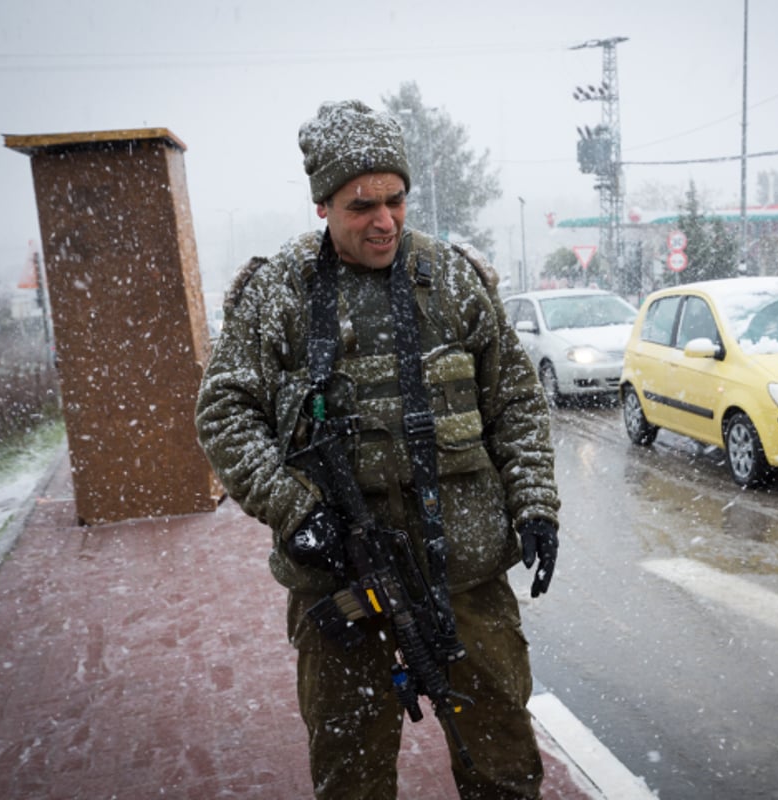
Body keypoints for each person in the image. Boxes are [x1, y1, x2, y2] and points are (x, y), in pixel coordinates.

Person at [194, 99, 560, 799]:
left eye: (396, 200)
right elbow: (224, 413)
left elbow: (514, 400)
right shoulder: (281, 294)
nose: (385, 220)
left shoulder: (450, 280)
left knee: (504, 769)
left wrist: (535, 503)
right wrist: (296, 511)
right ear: (323, 205)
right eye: (362, 205)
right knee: (351, 777)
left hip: (466, 575)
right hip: (337, 579)